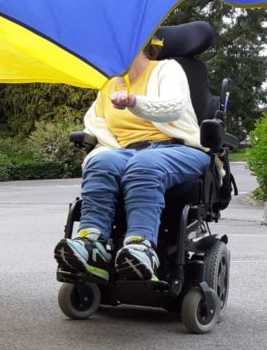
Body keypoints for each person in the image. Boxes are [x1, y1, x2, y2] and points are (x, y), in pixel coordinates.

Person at [54, 34, 211, 282]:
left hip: (177, 148)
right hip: (127, 151)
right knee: (100, 162)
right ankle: (91, 243)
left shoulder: (166, 69)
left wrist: (133, 102)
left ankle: (141, 247)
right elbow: (95, 123)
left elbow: (174, 106)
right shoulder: (109, 83)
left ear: (142, 45)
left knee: (144, 164)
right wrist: (100, 150)